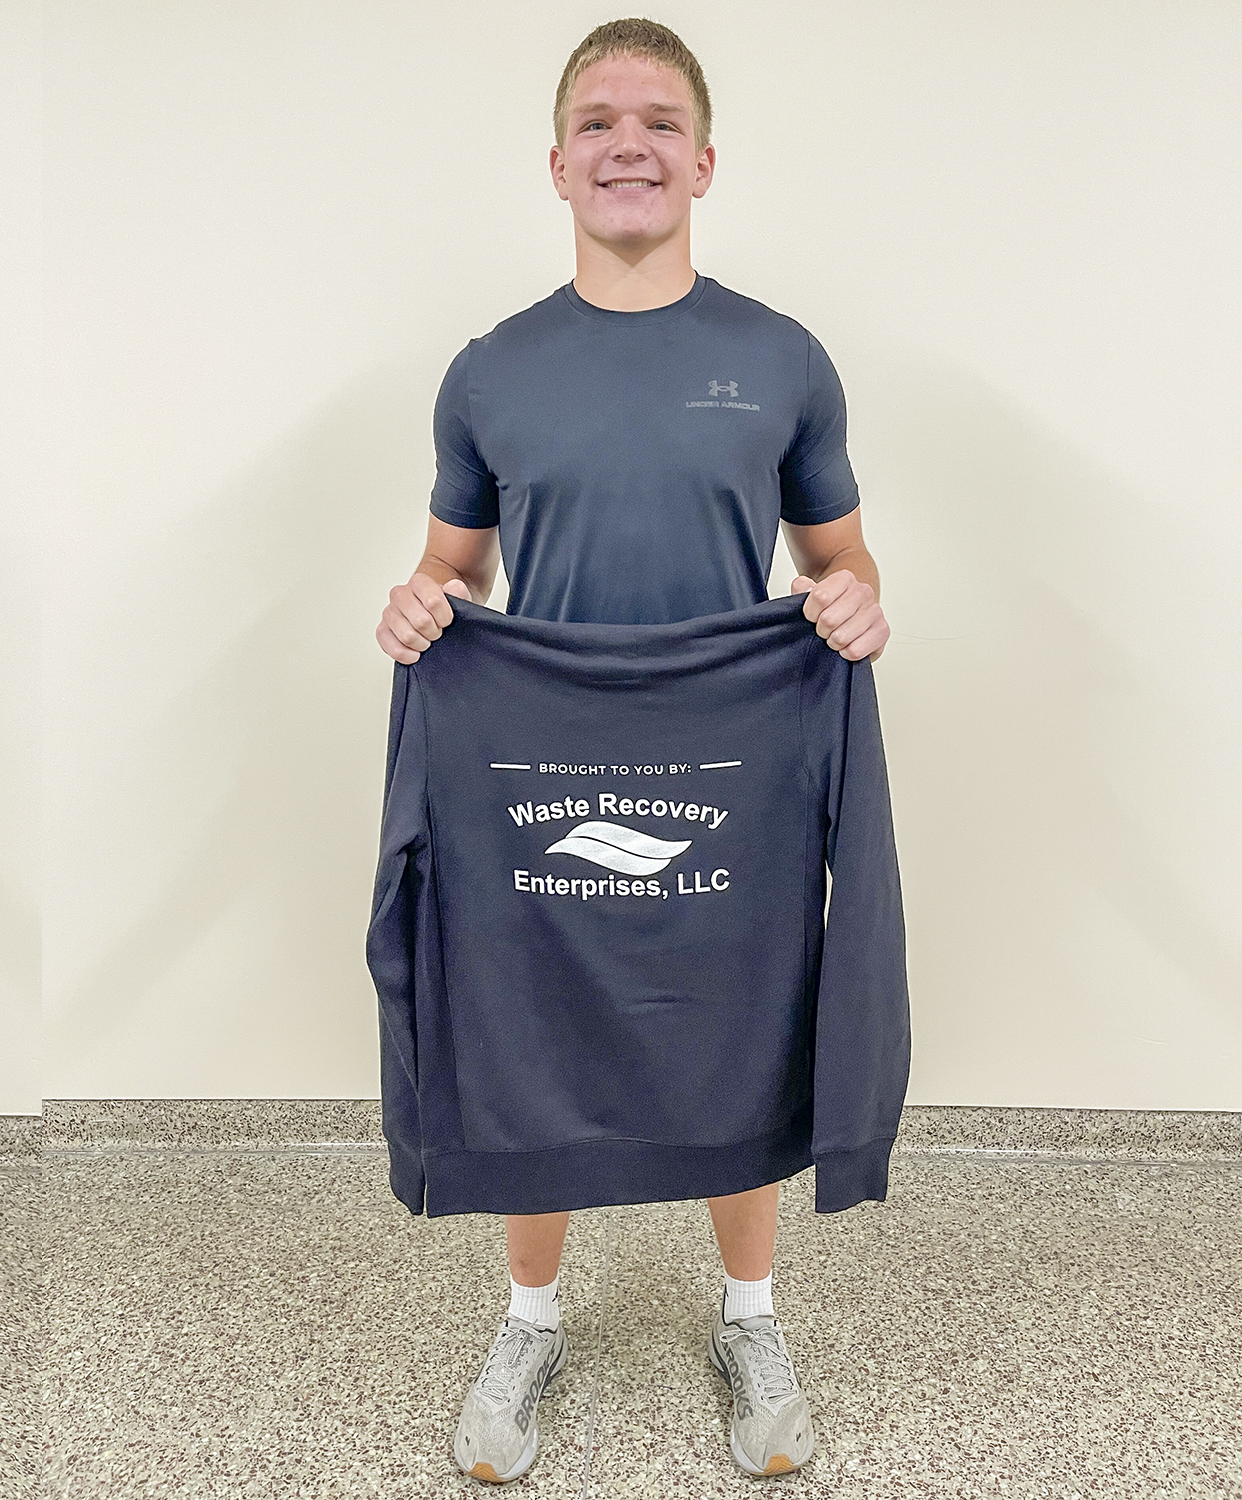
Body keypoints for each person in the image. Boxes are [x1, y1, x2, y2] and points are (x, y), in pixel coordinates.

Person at [373, 17, 889, 1484]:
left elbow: (842, 563)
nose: (628, 145)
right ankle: (532, 1317)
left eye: (659, 122)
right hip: (545, 768)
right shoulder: (491, 371)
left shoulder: (780, 358)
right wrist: (424, 604)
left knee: (733, 1021)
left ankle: (751, 1313)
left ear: (705, 162)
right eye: (597, 122)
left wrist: (851, 604)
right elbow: (456, 571)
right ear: (555, 165)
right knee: (535, 1020)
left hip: (733, 765)